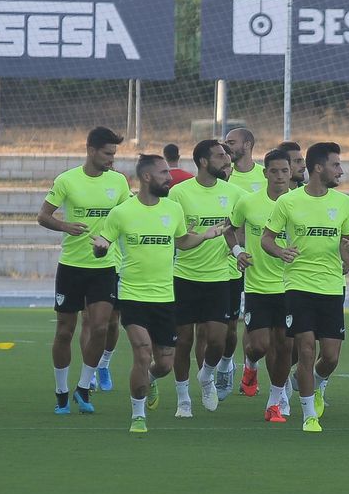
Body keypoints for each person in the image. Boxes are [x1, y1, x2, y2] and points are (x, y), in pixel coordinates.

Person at [93, 154, 230, 433]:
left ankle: (151, 379)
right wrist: (99, 247)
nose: (170, 177)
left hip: (165, 297)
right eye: (164, 172)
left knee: (164, 364)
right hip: (132, 295)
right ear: (146, 177)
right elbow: (102, 244)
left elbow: (182, 240)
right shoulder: (122, 212)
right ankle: (138, 416)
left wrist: (206, 235)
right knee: (142, 354)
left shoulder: (172, 210)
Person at [262, 141, 349, 433]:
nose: (341, 171)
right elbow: (266, 239)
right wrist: (281, 252)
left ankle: (316, 384)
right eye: (336, 165)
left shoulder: (344, 203)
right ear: (318, 168)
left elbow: (345, 246)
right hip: (298, 285)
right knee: (305, 350)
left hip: (332, 287)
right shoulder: (288, 202)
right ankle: (309, 415)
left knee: (330, 356)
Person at [37, 126, 129, 415]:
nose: (112, 159)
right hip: (72, 267)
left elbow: (128, 218)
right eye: (107, 153)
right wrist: (65, 226)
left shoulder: (119, 182)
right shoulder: (67, 180)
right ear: (91, 151)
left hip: (105, 266)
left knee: (101, 327)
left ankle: (84, 387)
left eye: (114, 154)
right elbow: (43, 216)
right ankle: (61, 391)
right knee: (65, 331)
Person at [169, 139, 247, 417]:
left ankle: (206, 377)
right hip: (185, 277)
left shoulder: (235, 193)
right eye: (219, 156)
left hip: (218, 278)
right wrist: (199, 235)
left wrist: (238, 251)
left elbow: (235, 231)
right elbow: (177, 239)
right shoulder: (179, 193)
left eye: (226, 155)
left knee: (218, 340)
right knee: (183, 342)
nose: (226, 160)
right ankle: (183, 400)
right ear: (203, 161)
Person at [230, 148, 296, 422]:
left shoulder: (300, 203)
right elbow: (230, 227)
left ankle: (274, 402)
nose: (280, 176)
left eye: (285, 171)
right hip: (258, 285)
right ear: (265, 173)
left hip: (291, 285)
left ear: (291, 172)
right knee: (259, 345)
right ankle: (250, 364)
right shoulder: (248, 202)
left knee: (283, 346)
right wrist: (238, 252)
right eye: (274, 171)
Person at [221, 126, 267, 397]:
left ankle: (250, 366)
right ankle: (226, 366)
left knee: (255, 325)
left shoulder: (266, 175)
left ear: (248, 144)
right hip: (225, 260)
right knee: (225, 327)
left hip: (258, 263)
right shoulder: (223, 174)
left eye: (231, 142)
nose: (226, 147)